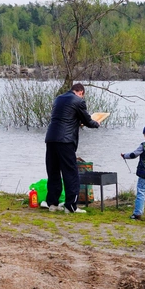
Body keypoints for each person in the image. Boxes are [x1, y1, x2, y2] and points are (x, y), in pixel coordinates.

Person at [45, 83, 100, 213]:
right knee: (71, 172)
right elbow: (87, 121)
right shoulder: (78, 101)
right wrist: (96, 123)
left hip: (51, 138)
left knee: (53, 171)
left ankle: (53, 204)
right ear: (81, 92)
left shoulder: (58, 98)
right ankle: (71, 206)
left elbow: (65, 117)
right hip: (65, 141)